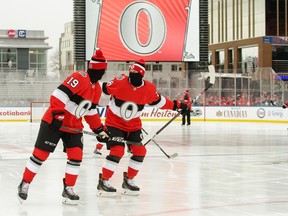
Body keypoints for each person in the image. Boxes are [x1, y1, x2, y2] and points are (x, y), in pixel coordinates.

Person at [17, 50, 111, 205]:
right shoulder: (79, 77)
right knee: (40, 156)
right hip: (54, 122)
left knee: (76, 156)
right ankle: (25, 183)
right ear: (94, 69)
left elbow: (90, 111)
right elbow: (58, 95)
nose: (101, 74)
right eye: (101, 71)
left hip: (73, 126)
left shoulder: (97, 89)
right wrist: (58, 115)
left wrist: (99, 129)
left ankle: (68, 188)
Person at [97, 59, 188, 196]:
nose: (132, 74)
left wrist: (178, 106)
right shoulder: (120, 81)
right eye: (131, 71)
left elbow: (161, 102)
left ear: (141, 74)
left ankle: (129, 180)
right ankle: (104, 181)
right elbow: (101, 88)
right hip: (114, 123)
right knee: (117, 151)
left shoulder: (149, 89)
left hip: (133, 126)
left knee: (140, 151)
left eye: (135, 72)